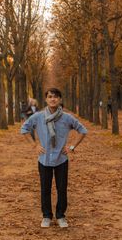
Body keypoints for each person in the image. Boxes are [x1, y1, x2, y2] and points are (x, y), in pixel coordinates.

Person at [20, 87, 87, 228]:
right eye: (50, 96)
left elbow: (82, 130)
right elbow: (24, 129)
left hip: (61, 159)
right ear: (46, 99)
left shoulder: (67, 118)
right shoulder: (38, 117)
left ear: (60, 100)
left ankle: (61, 216)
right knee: (45, 189)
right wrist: (34, 146)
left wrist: (72, 147)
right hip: (43, 159)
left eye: (56, 97)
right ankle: (46, 216)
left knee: (61, 189)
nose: (53, 99)